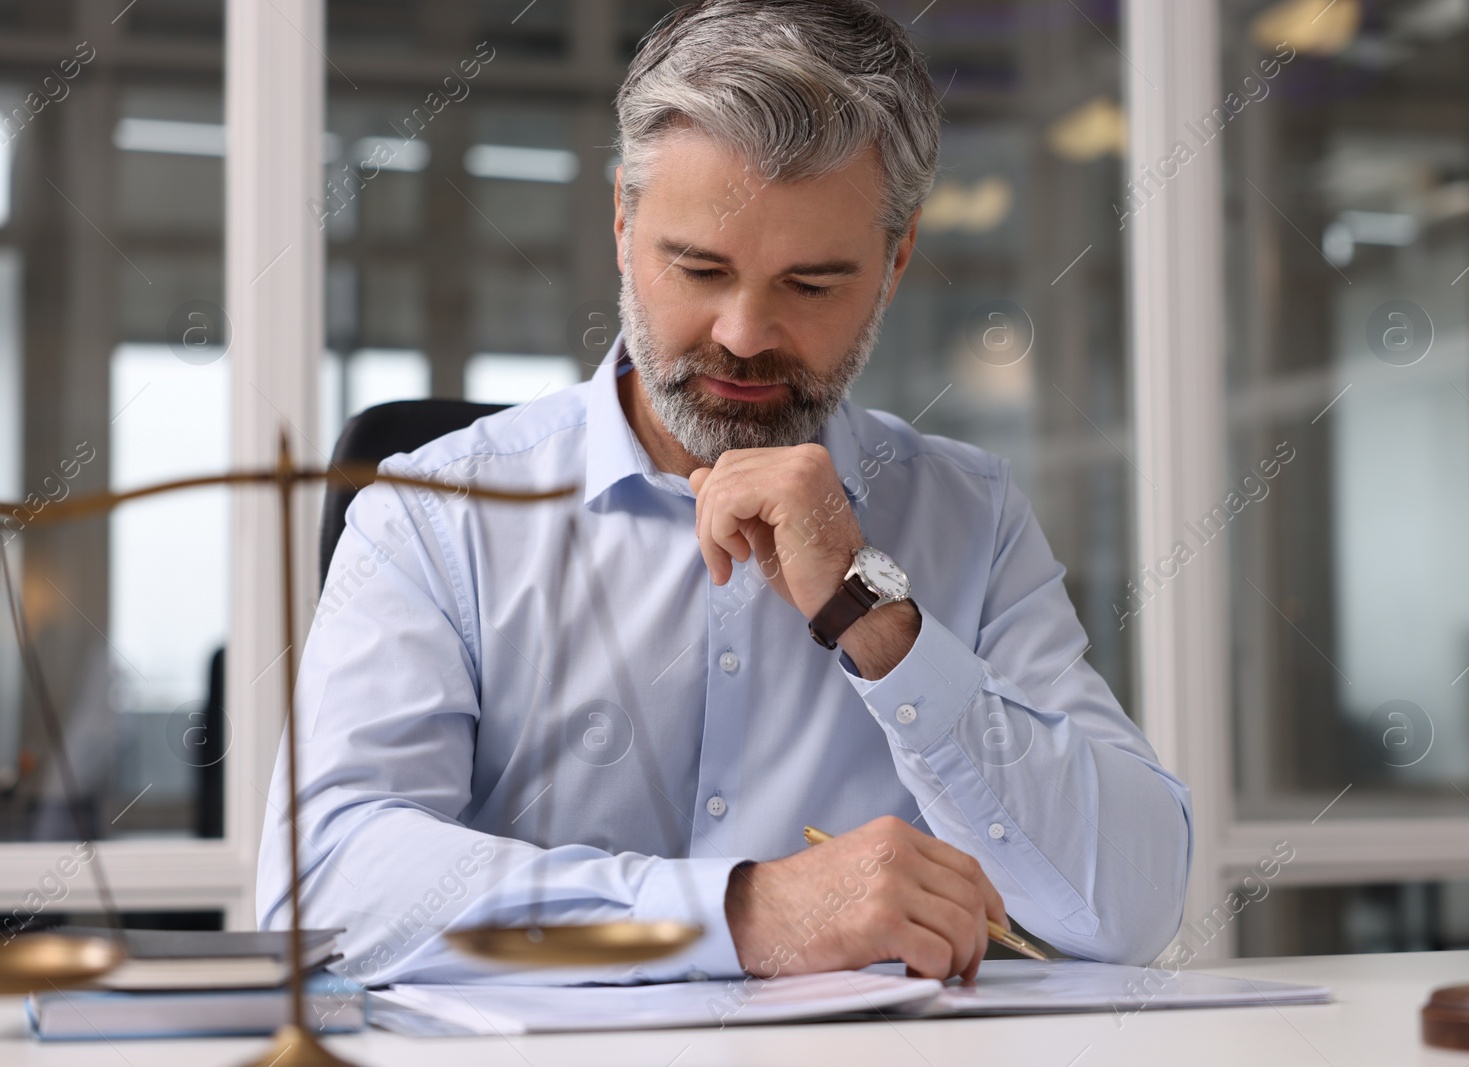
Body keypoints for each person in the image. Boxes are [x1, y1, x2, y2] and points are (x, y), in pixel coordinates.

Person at [258, 0, 1191, 988]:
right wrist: (741, 911)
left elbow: (1129, 904)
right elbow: (322, 895)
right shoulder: (432, 513)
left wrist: (875, 614)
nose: (745, 333)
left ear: (897, 259)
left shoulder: (970, 514)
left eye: (813, 282)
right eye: (697, 267)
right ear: (622, 222)